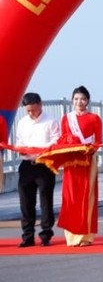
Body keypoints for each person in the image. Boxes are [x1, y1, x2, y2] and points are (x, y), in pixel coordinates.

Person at [56, 85, 103, 246]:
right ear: (72, 101)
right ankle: (71, 236)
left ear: (88, 101)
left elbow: (98, 141)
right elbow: (63, 138)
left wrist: (89, 149)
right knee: (70, 197)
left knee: (86, 196)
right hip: (71, 162)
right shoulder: (66, 118)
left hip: (87, 160)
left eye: (82, 99)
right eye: (76, 99)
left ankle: (86, 236)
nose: (79, 102)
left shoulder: (94, 118)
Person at [16, 92, 60, 247]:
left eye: (33, 110)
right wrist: (21, 149)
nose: (31, 113)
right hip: (27, 165)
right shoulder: (22, 122)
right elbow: (19, 141)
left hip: (44, 164)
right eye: (28, 110)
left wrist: (41, 150)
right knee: (26, 202)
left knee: (45, 201)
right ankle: (27, 236)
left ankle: (46, 235)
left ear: (40, 105)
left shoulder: (51, 121)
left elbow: (55, 142)